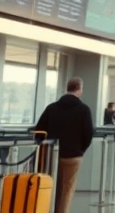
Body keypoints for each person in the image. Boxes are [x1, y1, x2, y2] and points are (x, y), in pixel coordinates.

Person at [34, 78, 94, 213]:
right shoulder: (84, 109)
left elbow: (39, 130)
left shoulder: (52, 108)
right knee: (67, 190)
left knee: (51, 186)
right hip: (73, 156)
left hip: (51, 155)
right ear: (79, 89)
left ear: (67, 88)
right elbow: (88, 134)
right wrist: (81, 150)